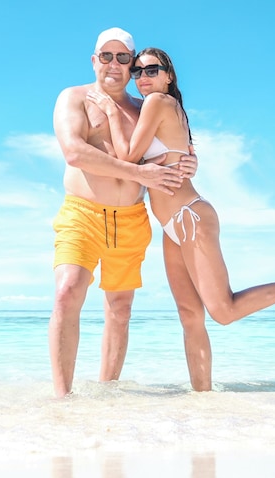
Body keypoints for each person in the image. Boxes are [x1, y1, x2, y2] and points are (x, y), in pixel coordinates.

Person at [87, 47, 275, 392]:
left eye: (151, 70)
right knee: (189, 316)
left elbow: (127, 157)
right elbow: (165, 158)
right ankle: (203, 398)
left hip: (189, 216)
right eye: (137, 72)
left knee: (223, 311)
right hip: (172, 226)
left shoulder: (158, 103)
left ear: (169, 75)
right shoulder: (165, 107)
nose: (142, 78)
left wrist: (109, 109)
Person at [49, 28, 197, 398]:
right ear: (93, 60)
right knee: (67, 292)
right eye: (106, 56)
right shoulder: (74, 97)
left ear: (130, 64)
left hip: (131, 218)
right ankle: (63, 399)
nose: (113, 64)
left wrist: (188, 164)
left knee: (120, 309)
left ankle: (107, 393)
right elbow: (75, 153)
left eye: (122, 57)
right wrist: (138, 173)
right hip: (82, 213)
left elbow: (172, 150)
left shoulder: (144, 107)